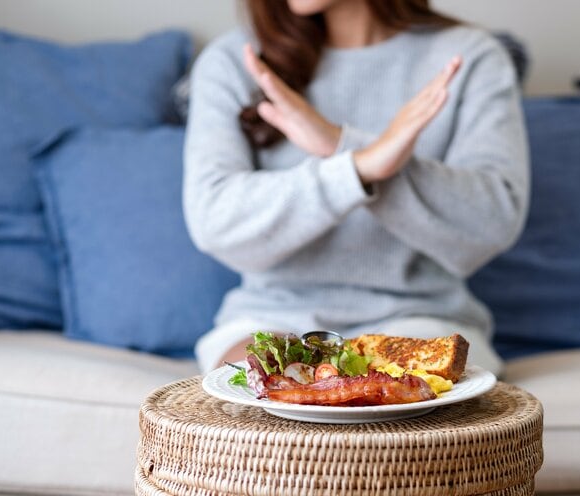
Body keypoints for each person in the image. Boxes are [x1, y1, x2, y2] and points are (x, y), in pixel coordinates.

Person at [184, 0, 529, 376]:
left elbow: (492, 223)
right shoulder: (233, 62)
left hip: (422, 317)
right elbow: (214, 220)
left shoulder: (470, 58)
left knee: (396, 414)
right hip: (266, 317)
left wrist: (338, 144)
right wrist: (356, 166)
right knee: (251, 394)